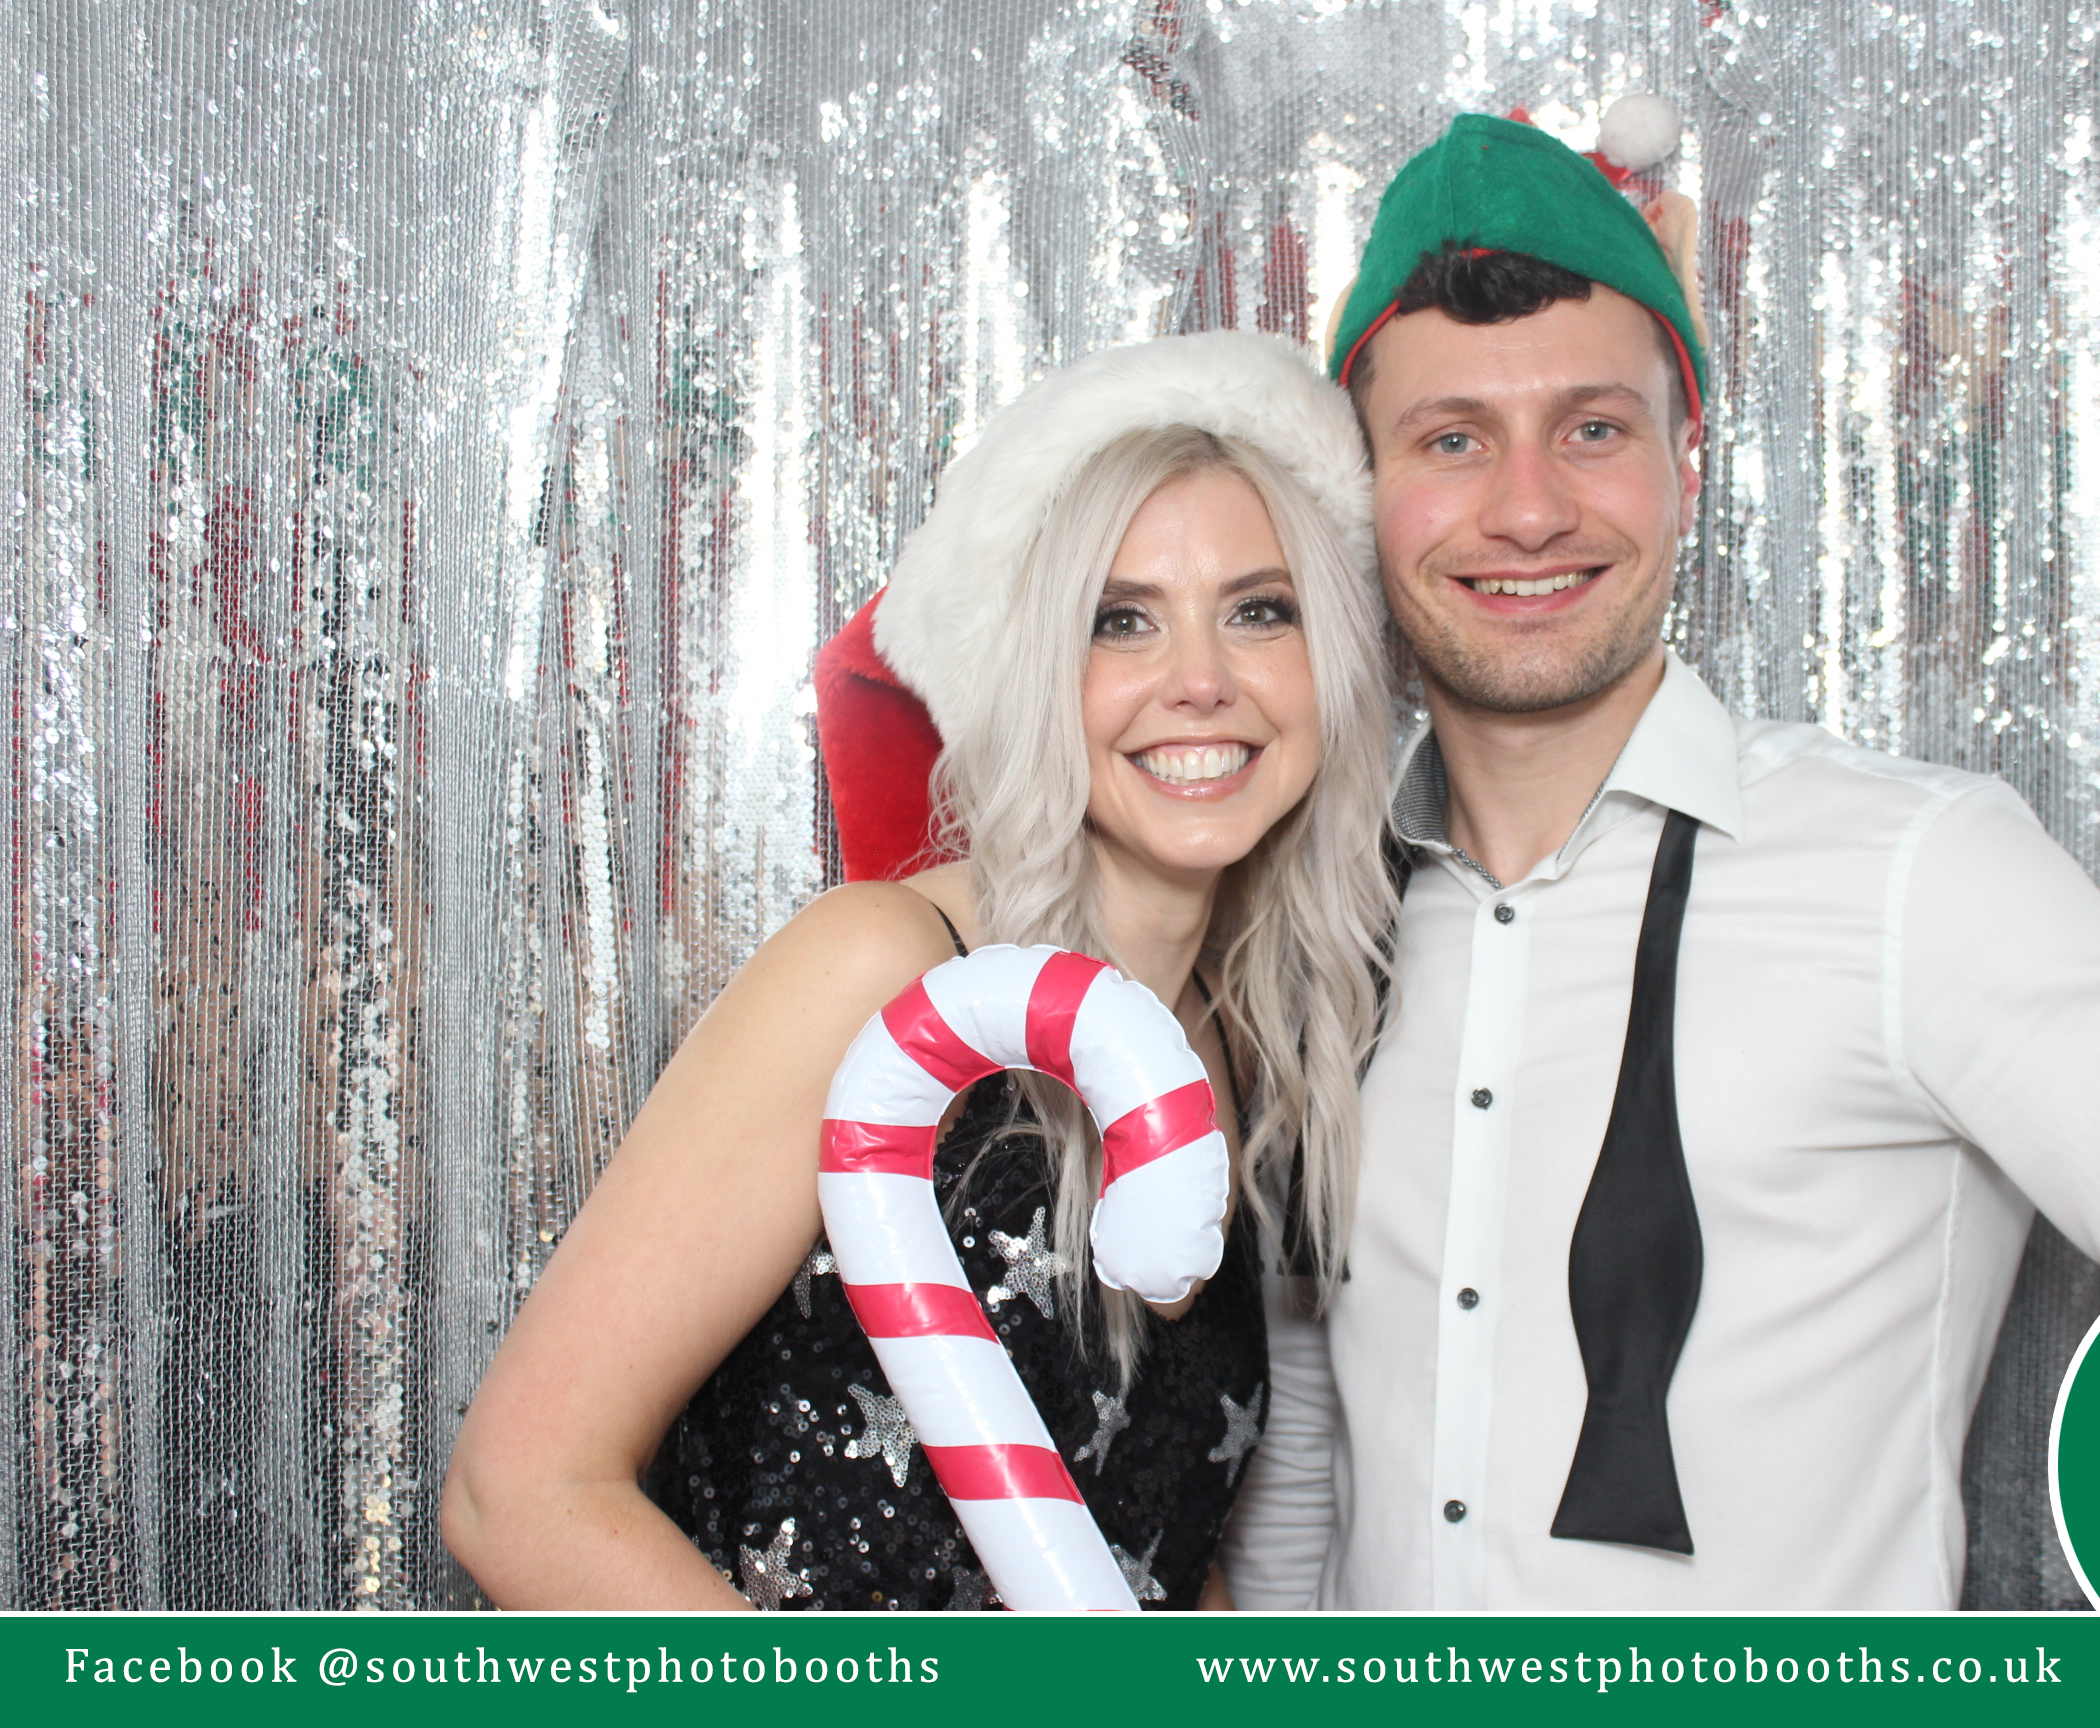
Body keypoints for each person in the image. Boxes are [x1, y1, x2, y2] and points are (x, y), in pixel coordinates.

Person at [1221, 112, 2100, 1611]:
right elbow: (1316, 1441)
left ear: (1687, 462)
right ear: (1363, 495)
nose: (1528, 509)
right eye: (1452, 440)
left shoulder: (1919, 876)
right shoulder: (1328, 919)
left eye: (1593, 429)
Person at [440, 331, 1394, 1610]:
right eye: (1119, 621)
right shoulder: (882, 971)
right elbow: (519, 1493)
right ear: (1030, 669)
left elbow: (1156, 1540)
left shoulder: (1241, 1042)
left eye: (1259, 611)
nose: (1202, 681)